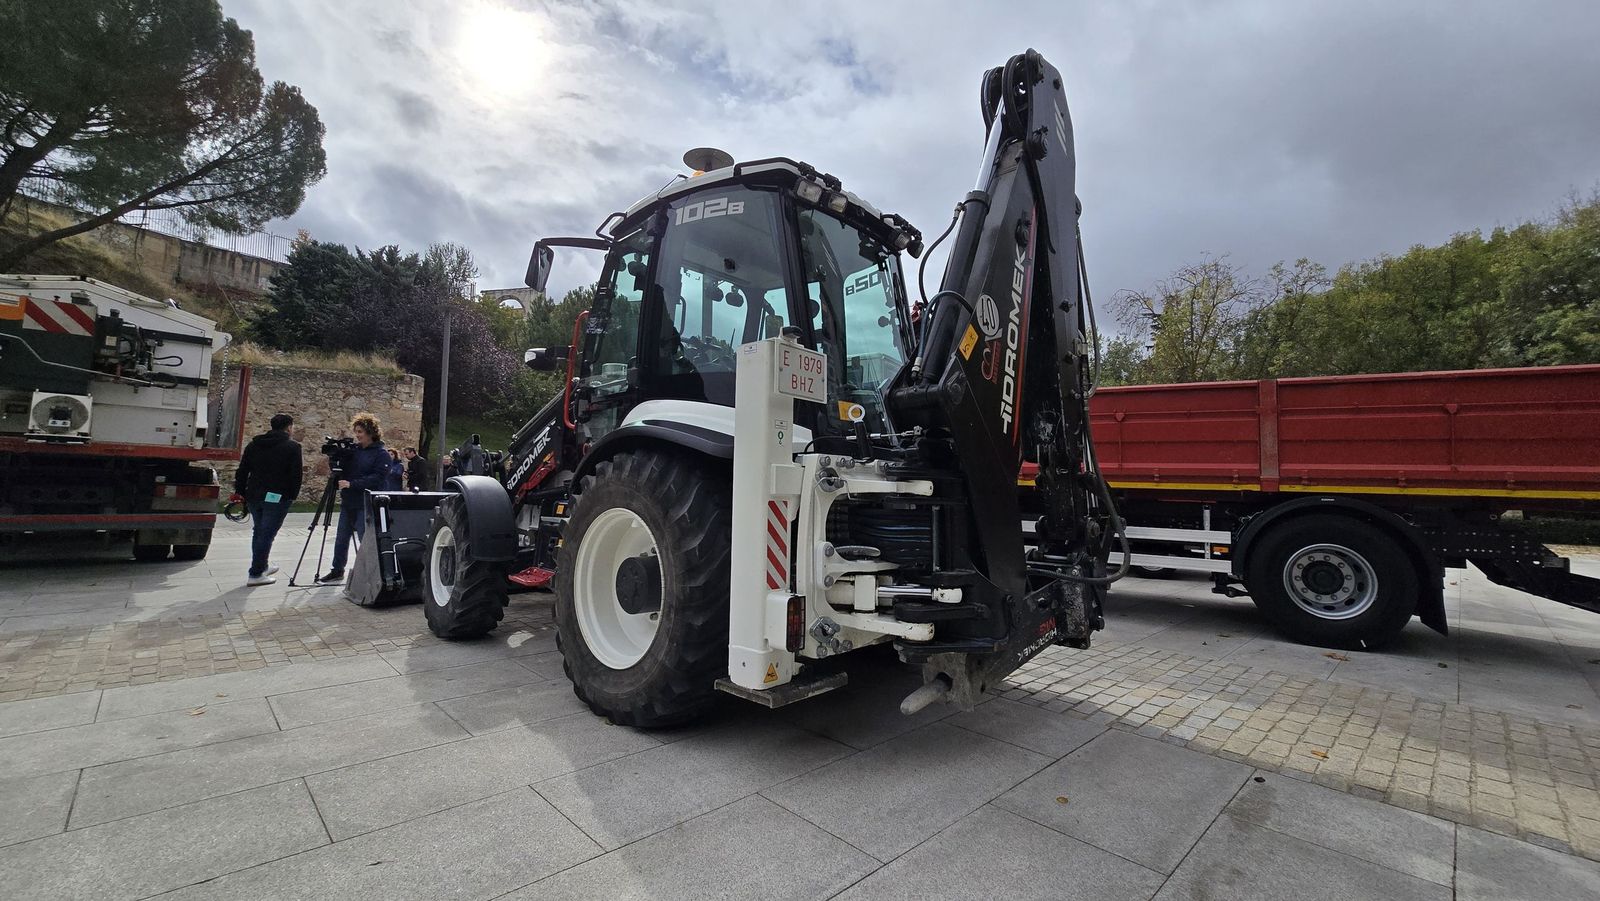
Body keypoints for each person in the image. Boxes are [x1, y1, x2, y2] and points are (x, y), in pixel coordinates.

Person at [317, 412, 391, 585]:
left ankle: (368, 572)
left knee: (364, 538)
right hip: (349, 501)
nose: (357, 435)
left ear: (371, 432)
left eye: (360, 431)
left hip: (365, 502)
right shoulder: (354, 451)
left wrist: (353, 484)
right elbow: (341, 471)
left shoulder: (381, 454)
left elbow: (378, 478)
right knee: (341, 537)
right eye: (356, 431)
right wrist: (335, 459)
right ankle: (337, 570)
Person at [231, 413, 303, 586]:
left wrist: (241, 492)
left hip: (254, 495)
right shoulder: (292, 447)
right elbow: (296, 475)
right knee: (267, 534)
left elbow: (242, 471)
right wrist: (292, 495)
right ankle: (256, 573)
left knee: (260, 531)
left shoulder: (254, 445)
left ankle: (262, 565)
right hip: (278, 497)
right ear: (288, 427)